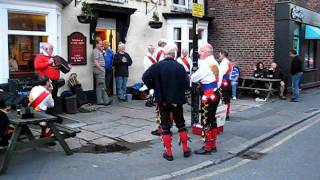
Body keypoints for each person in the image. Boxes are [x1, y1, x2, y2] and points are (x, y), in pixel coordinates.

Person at [142, 42, 191, 161]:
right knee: (181, 124)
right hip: (176, 100)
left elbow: (145, 77)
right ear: (174, 54)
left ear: (164, 54)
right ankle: (185, 149)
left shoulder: (157, 66)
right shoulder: (180, 66)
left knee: (165, 127)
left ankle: (169, 153)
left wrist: (154, 86)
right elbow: (186, 85)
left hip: (163, 100)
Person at [191, 43, 220, 155]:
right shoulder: (214, 62)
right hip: (214, 92)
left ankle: (207, 146)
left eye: (202, 51)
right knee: (212, 120)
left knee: (206, 120)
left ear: (208, 52)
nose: (199, 53)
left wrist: (192, 76)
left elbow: (194, 78)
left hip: (208, 95)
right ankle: (213, 144)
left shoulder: (206, 64)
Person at [29, 75, 55, 143]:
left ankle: (43, 135)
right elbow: (51, 105)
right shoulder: (47, 93)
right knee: (57, 120)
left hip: (31, 113)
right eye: (49, 81)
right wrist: (50, 92)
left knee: (45, 119)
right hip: (40, 116)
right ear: (47, 83)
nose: (51, 82)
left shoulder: (34, 88)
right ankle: (47, 138)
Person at [93, 40, 112, 105]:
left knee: (102, 85)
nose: (101, 45)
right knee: (100, 85)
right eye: (100, 44)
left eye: (102, 44)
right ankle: (101, 101)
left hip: (101, 69)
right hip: (99, 70)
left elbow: (100, 59)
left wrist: (103, 54)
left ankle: (105, 100)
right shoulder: (95, 51)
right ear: (96, 44)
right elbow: (95, 62)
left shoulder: (99, 51)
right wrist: (101, 69)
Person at [218, 50, 232, 123]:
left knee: (224, 98)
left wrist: (218, 84)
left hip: (224, 82)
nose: (219, 56)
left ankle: (225, 114)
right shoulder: (228, 62)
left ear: (223, 55)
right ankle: (226, 114)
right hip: (228, 81)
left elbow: (220, 74)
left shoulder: (224, 63)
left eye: (220, 55)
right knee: (227, 99)